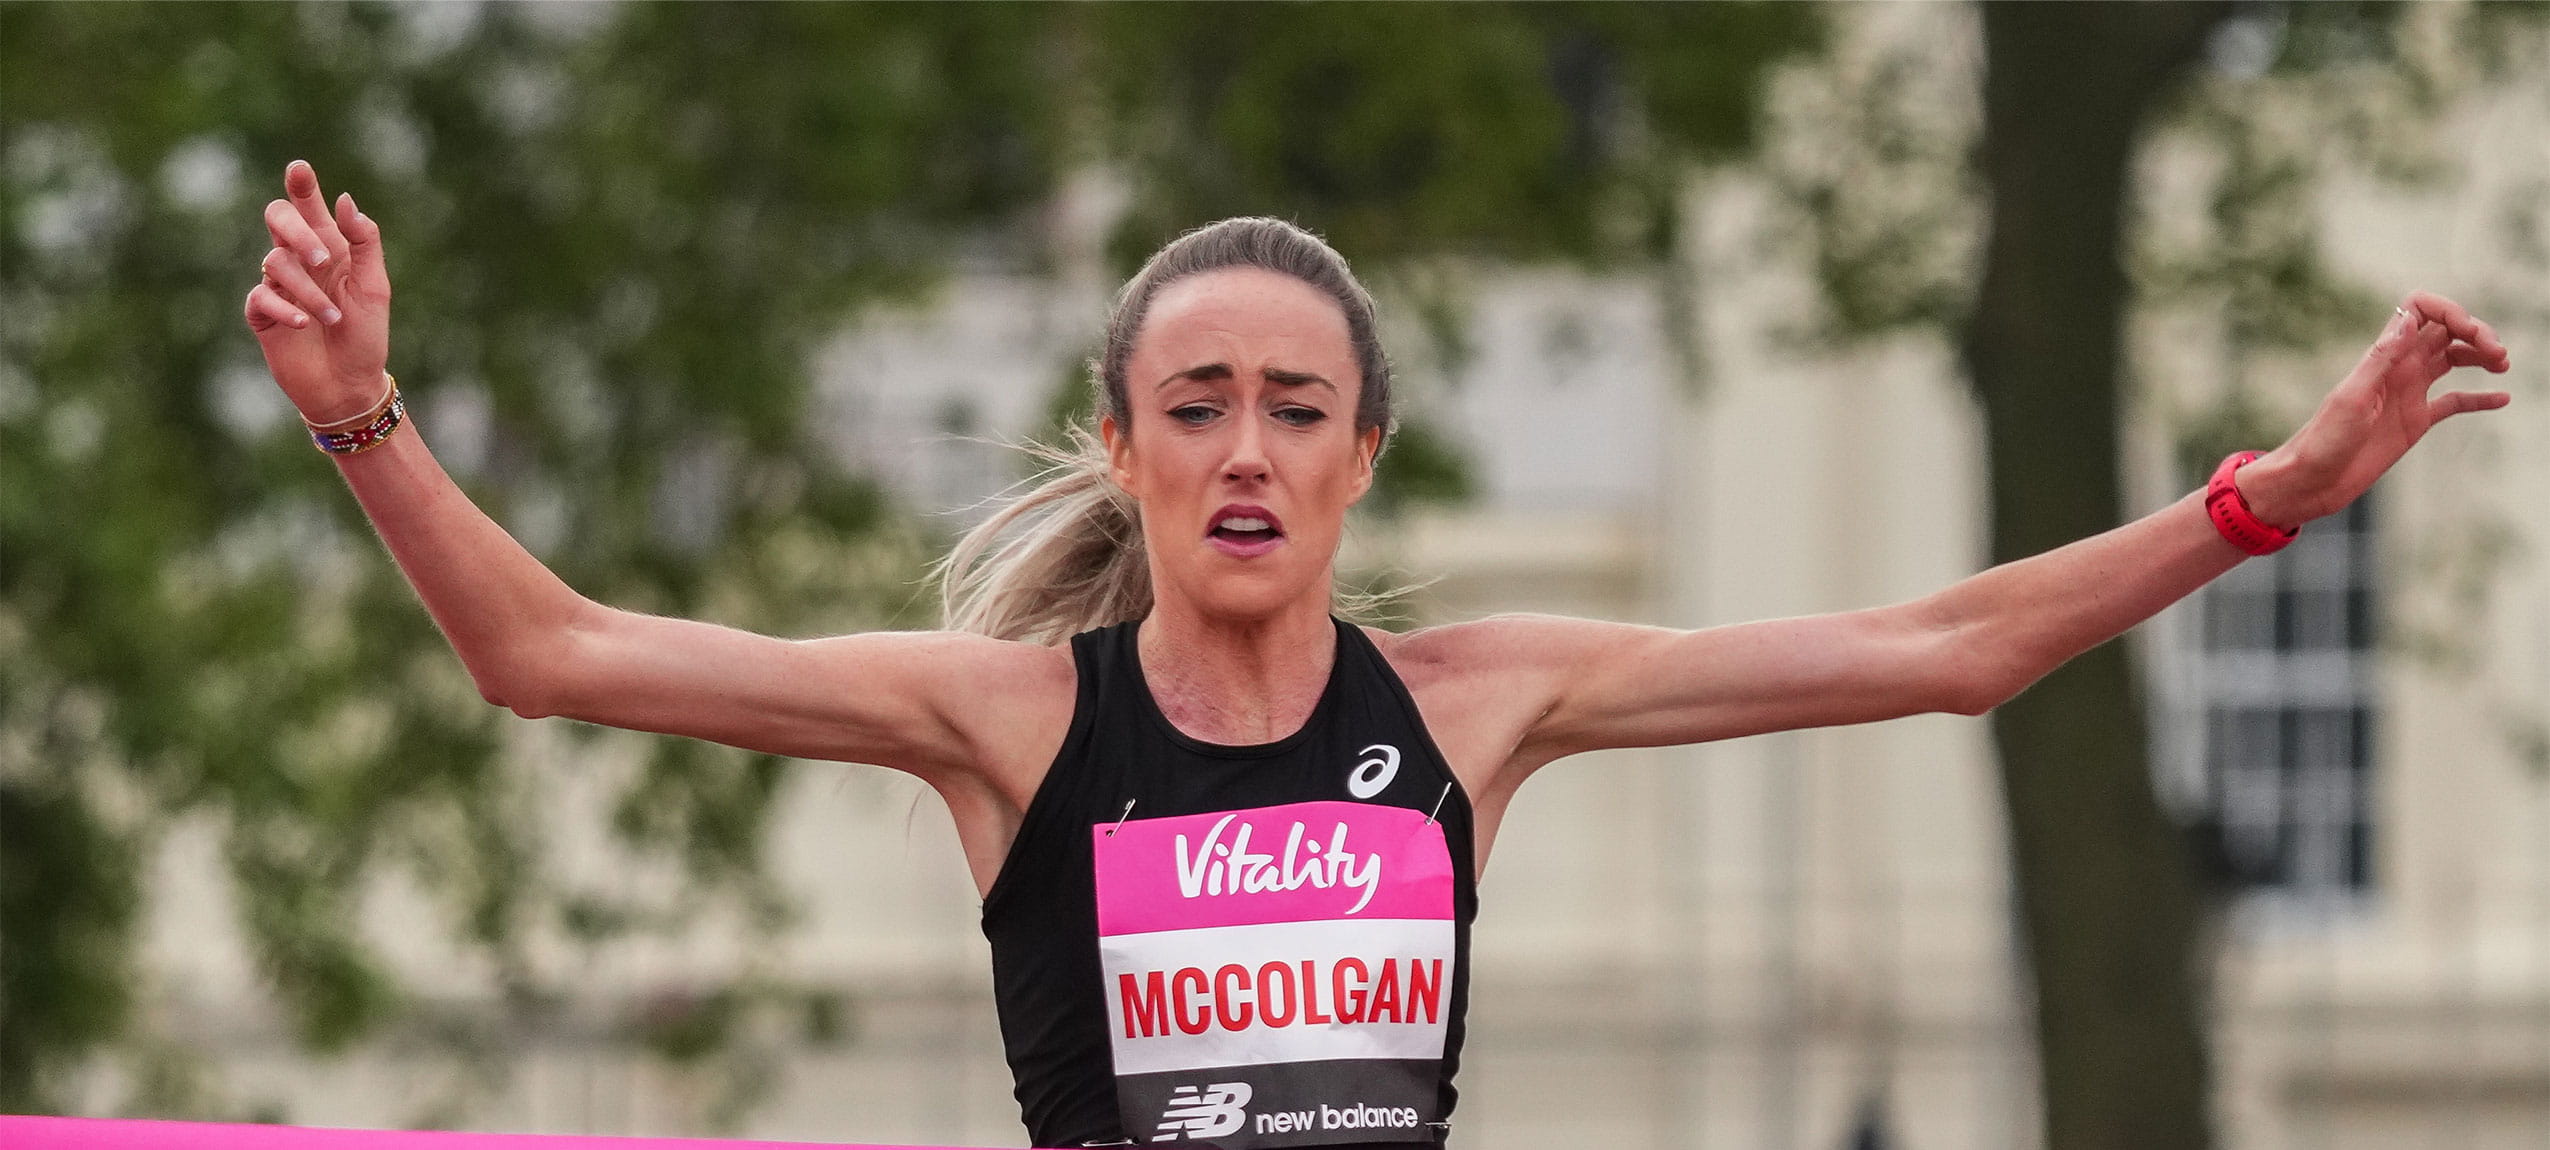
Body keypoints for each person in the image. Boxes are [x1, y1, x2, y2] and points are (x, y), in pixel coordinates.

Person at [244, 159, 2512, 1149]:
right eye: (1197, 409)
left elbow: (1933, 646)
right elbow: (547, 650)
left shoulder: (1471, 706)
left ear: (1365, 458)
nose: (1246, 451)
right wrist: (362, 411)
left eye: (1294, 410)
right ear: (1127, 449)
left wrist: (2269, 501)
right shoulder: (1015, 721)